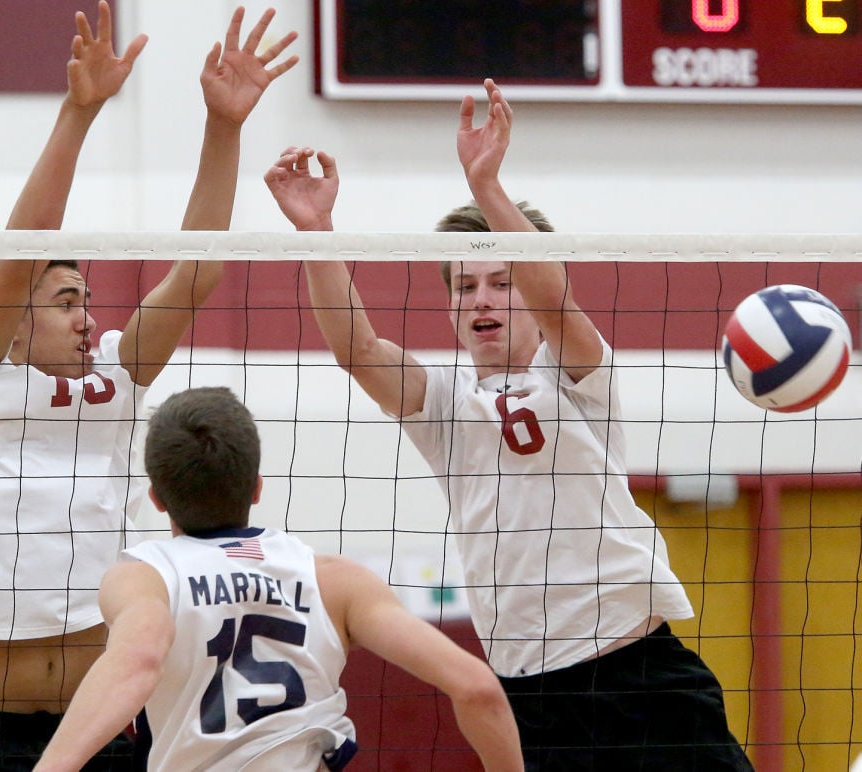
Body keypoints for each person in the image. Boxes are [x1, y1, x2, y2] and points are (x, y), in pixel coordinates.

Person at [264, 79, 754, 769]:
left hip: (636, 677)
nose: (482, 298)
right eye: (465, 286)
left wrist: (488, 186)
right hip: (530, 694)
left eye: (501, 280)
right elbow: (357, 351)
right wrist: (315, 236)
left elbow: (556, 296)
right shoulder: (443, 401)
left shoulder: (578, 369)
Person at [0, 4, 298, 768]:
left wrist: (224, 127)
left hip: (99, 734)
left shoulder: (113, 381)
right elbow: (22, 248)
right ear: (13, 321)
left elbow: (199, 274)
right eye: (64, 302)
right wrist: (80, 112)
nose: (87, 318)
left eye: (87, 300)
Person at [31, 386, 525, 772]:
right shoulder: (335, 580)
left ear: (157, 497)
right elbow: (477, 688)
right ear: (258, 486)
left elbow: (139, 659)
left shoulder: (144, 577)